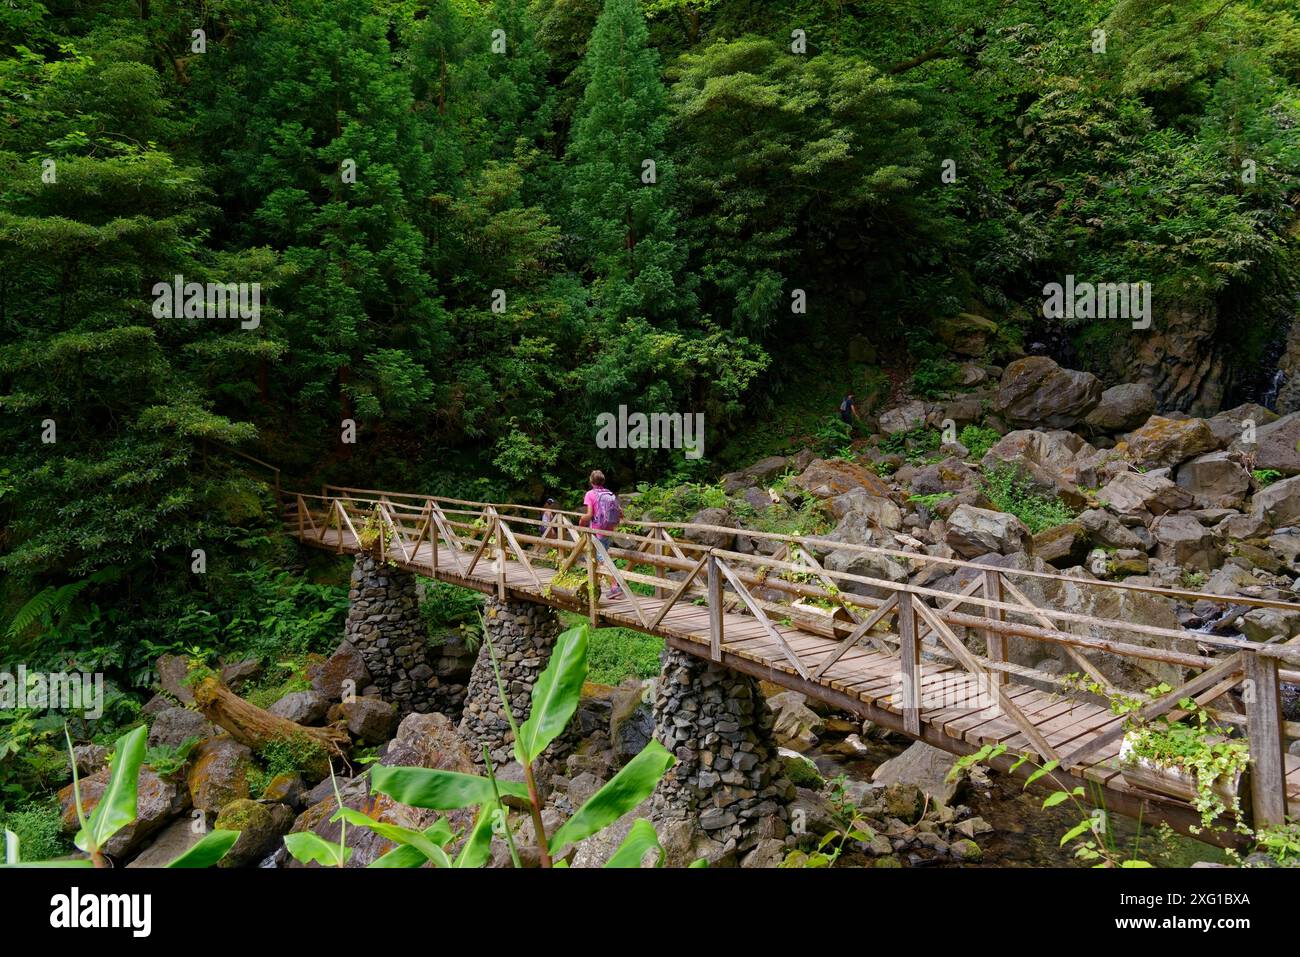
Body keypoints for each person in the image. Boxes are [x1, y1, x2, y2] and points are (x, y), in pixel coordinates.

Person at [579, 470, 624, 600]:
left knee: (603, 559)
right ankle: (597, 584)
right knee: (602, 557)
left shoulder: (590, 494)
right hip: (609, 529)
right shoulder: (609, 493)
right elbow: (620, 512)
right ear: (603, 481)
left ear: (591, 481)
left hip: (598, 530)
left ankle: (615, 587)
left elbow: (589, 515)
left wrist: (581, 522)